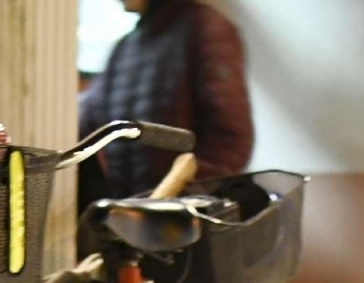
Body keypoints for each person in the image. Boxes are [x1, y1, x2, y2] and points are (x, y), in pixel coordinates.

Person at [78, 0, 255, 200]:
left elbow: (229, 140)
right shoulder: (126, 46)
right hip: (129, 210)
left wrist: (177, 200)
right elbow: (89, 121)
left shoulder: (204, 26)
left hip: (183, 211)